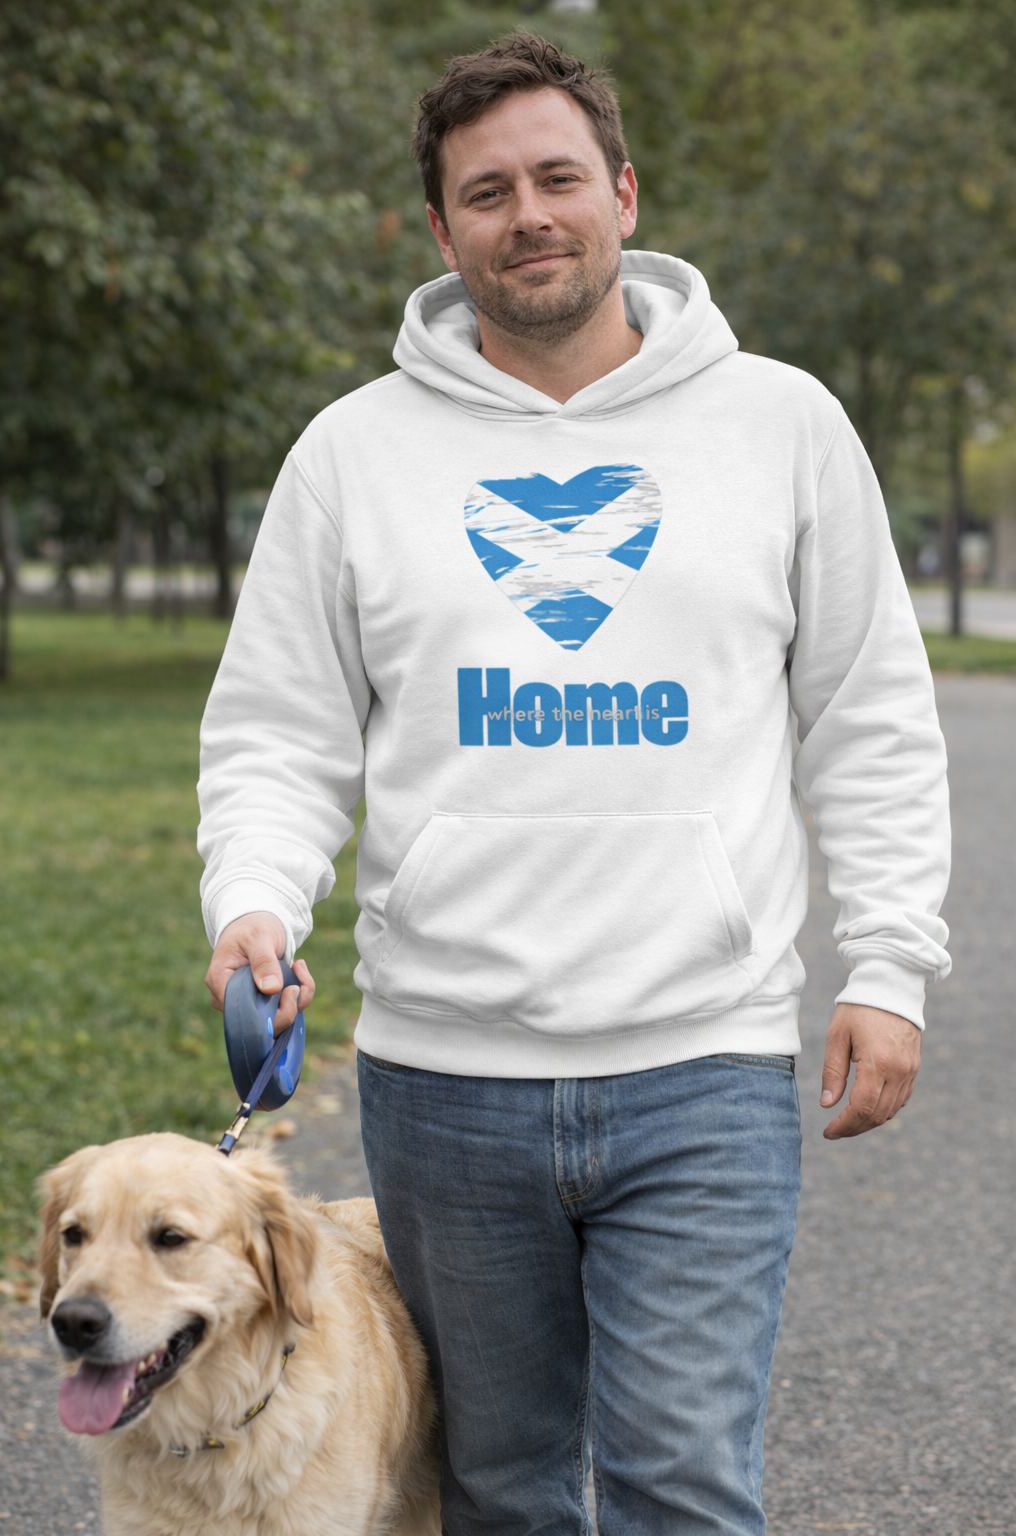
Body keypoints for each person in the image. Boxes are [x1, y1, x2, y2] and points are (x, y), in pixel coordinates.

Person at [198, 33, 951, 1536]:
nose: (528, 215)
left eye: (558, 178)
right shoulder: (351, 454)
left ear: (623, 192)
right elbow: (282, 727)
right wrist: (256, 901)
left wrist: (889, 965)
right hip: (443, 1082)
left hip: (705, 1066)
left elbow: (869, 714)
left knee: (684, 1483)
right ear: (442, 230)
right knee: (503, 1491)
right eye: (487, 193)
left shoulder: (783, 427)